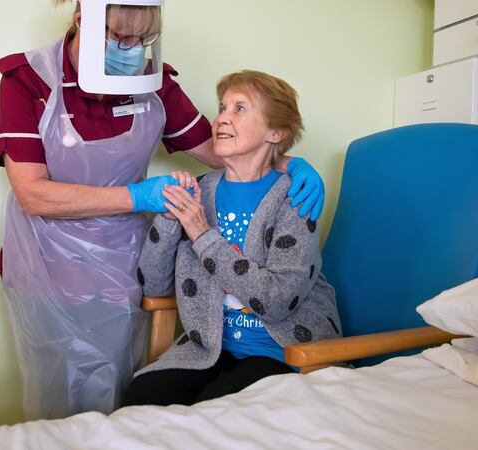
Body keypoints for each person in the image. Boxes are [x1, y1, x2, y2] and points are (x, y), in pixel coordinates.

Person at [0, 0, 326, 419]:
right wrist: (144, 198)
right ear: (83, 22)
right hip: (46, 259)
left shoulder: (152, 81)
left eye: (141, 39)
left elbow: (224, 150)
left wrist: (289, 162)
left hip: (121, 263)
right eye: (119, 37)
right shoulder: (28, 80)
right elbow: (33, 194)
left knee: (117, 393)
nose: (132, 49)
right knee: (57, 397)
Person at [121, 70, 340, 407]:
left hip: (285, 351)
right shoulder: (201, 191)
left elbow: (277, 300)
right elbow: (152, 286)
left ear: (275, 132)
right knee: (142, 395)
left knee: (215, 409)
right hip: (211, 347)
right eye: (222, 108)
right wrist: (168, 216)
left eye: (239, 109)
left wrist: (201, 233)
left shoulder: (295, 197)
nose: (221, 118)